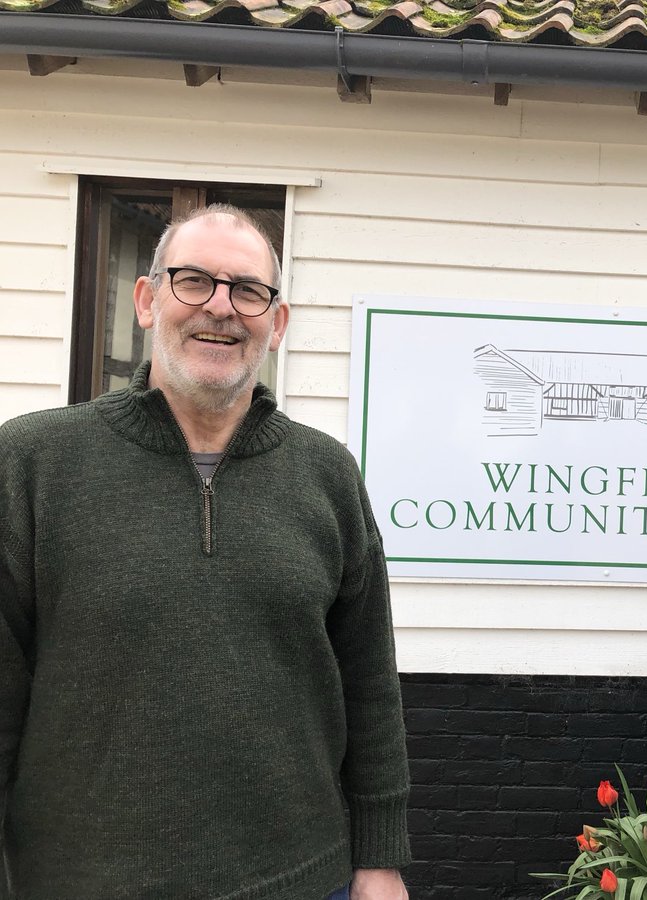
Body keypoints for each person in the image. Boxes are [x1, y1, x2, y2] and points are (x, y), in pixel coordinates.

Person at [0, 205, 411, 900]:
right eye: (193, 281)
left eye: (249, 290)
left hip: (302, 882)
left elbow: (369, 683)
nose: (221, 308)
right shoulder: (33, 465)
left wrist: (380, 861)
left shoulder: (327, 475)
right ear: (146, 299)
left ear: (276, 323)